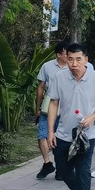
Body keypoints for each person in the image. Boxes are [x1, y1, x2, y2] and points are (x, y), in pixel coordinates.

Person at [47, 43, 95, 190]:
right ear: (66, 59)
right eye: (70, 59)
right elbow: (53, 103)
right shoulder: (59, 77)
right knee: (63, 170)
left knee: (83, 172)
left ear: (86, 60)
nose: (74, 63)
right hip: (63, 133)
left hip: (87, 135)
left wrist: (92, 117)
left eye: (78, 59)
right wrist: (51, 131)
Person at [35, 41, 69, 180]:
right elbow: (41, 87)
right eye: (67, 54)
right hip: (48, 104)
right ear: (59, 54)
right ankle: (47, 163)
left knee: (60, 139)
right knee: (42, 135)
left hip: (66, 106)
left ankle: (61, 167)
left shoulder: (72, 67)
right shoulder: (47, 66)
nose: (70, 57)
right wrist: (37, 108)